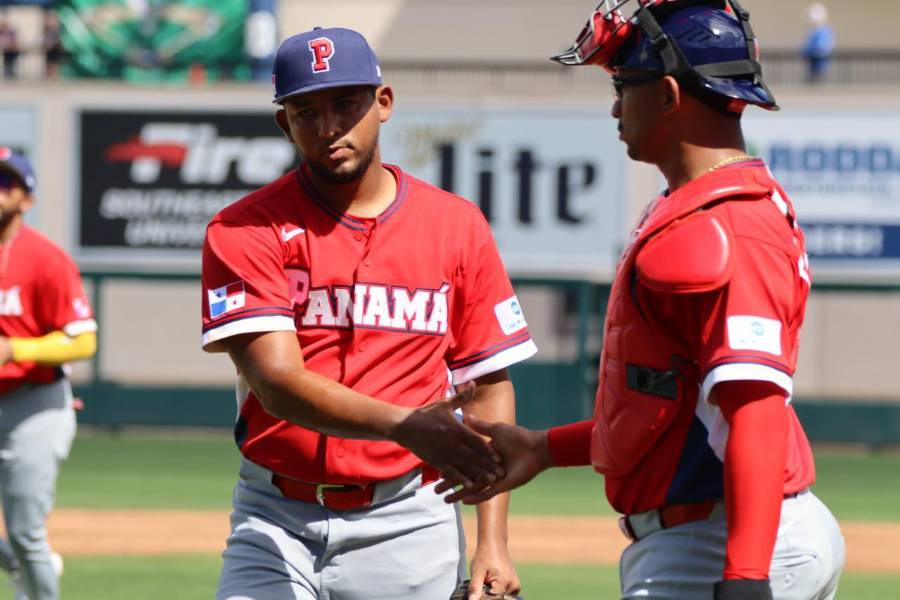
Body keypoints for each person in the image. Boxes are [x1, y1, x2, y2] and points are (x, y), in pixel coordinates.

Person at [442, 2, 846, 599]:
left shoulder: (725, 227)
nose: (614, 105)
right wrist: (546, 449)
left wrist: (744, 578)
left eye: (623, 86)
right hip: (718, 531)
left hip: (719, 540)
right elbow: (663, 407)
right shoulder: (698, 207)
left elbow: (753, 407)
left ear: (666, 95)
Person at [200, 27, 536, 600]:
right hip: (274, 515)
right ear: (285, 124)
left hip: (408, 516)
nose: (329, 127)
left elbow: (486, 385)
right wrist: (404, 424)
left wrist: (493, 542)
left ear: (383, 103)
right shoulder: (243, 228)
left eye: (345, 104)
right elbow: (277, 383)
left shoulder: (456, 225)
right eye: (306, 111)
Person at [0, 147, 97, 599]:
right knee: (20, 541)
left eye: (6, 183)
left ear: (26, 199)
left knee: (24, 532)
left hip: (34, 404)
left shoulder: (45, 259)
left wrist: (16, 348)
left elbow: (83, 340)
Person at [801, 3, 835, 84]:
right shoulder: (815, 31)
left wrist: (809, 51)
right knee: (812, 80)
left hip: (819, 63)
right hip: (812, 63)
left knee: (816, 81)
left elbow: (822, 47)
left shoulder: (823, 31)